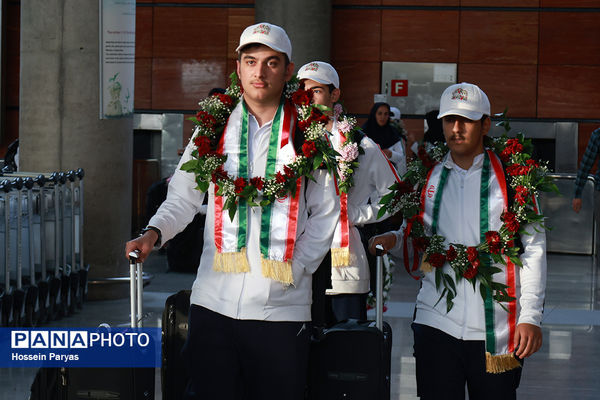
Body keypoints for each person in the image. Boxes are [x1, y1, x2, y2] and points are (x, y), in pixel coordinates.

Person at [125, 22, 339, 400]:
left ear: (288, 71)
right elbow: (183, 197)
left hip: (281, 311)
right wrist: (153, 232)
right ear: (238, 67)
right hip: (214, 304)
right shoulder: (213, 127)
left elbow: (325, 212)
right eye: (251, 61)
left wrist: (296, 268)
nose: (260, 72)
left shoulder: (309, 132)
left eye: (272, 62)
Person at [369, 82, 547, 400]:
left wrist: (530, 316)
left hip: (496, 329)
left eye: (466, 120)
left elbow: (532, 249)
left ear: (486, 124)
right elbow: (418, 237)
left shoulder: (512, 180)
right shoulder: (427, 177)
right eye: (450, 120)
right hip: (435, 321)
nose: (456, 128)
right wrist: (395, 239)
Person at [297, 61, 399, 322]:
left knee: (345, 352)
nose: (308, 99)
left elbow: (396, 195)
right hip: (297, 260)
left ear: (334, 95)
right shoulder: (289, 140)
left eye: (316, 91)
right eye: (302, 92)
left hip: (342, 262)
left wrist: (355, 213)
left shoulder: (361, 144)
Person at [362, 102, 407, 177]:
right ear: (374, 114)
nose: (383, 117)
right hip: (367, 175)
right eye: (379, 113)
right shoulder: (364, 132)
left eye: (386, 114)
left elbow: (400, 157)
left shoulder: (392, 132)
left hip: (388, 176)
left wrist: (391, 154)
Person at [572, 126, 600, 213]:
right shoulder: (598, 135)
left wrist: (577, 194)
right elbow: (586, 165)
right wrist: (577, 194)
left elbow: (586, 165)